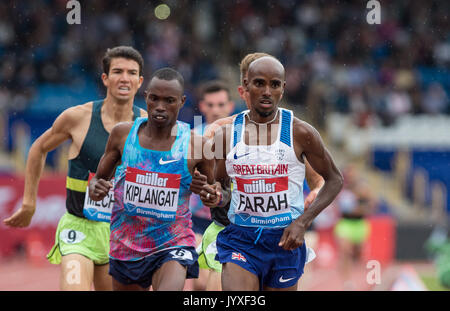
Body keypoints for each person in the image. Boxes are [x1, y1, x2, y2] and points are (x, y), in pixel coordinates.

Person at [3, 46, 146, 291]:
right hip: (79, 229)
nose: (125, 78)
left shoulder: (147, 125)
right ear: (105, 78)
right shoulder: (77, 117)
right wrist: (29, 203)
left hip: (123, 232)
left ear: (140, 81)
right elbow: (38, 149)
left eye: (131, 73)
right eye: (117, 71)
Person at [199, 55, 343, 291]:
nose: (267, 91)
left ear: (283, 89)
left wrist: (302, 223)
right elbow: (219, 186)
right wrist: (213, 193)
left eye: (274, 84)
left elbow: (334, 179)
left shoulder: (300, 132)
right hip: (241, 239)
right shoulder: (226, 134)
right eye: (259, 83)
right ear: (245, 87)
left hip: (284, 240)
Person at [88, 68, 222, 291]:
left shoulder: (196, 145)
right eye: (154, 99)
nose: (160, 107)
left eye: (169, 100)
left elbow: (215, 193)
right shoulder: (122, 135)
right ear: (146, 96)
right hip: (126, 245)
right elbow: (97, 181)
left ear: (181, 101)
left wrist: (209, 193)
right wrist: (96, 187)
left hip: (172, 243)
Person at [189, 80, 234, 290]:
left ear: (230, 106)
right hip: (198, 218)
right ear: (202, 106)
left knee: (218, 282)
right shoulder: (194, 137)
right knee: (199, 282)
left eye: (221, 104)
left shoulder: (241, 136)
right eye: (210, 105)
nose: (216, 110)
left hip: (229, 219)